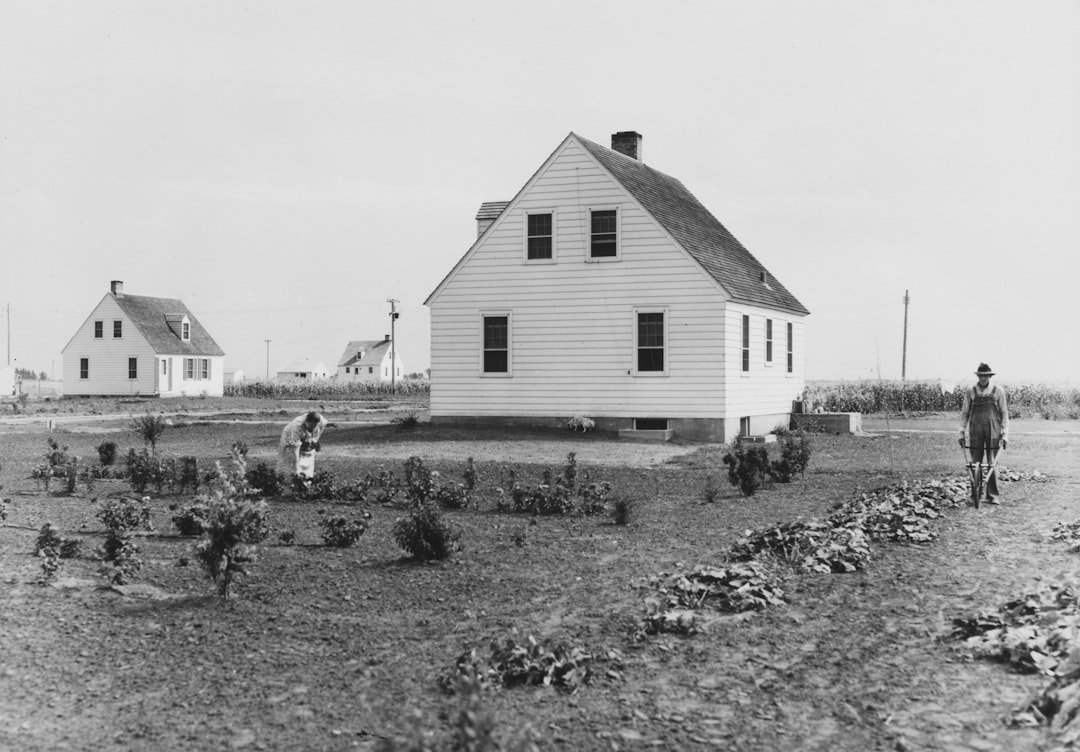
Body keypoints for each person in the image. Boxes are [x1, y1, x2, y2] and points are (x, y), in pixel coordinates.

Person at [959, 363, 1009, 504]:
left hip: (994, 428)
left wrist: (1005, 434)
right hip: (975, 428)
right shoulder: (971, 391)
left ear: (989, 376)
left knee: (992, 462)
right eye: (980, 376)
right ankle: (975, 495)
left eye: (985, 376)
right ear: (978, 376)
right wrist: (961, 432)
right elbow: (965, 413)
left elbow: (1004, 413)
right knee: (976, 463)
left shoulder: (998, 390)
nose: (983, 378)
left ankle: (992, 495)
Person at [278, 410, 329, 484]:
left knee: (308, 454)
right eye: (310, 427)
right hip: (288, 438)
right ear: (307, 421)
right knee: (289, 459)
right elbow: (295, 451)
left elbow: (322, 427)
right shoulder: (296, 426)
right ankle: (287, 480)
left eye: (313, 427)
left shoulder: (321, 421)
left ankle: (306, 480)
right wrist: (296, 470)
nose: (311, 429)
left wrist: (315, 441)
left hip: (306, 437)